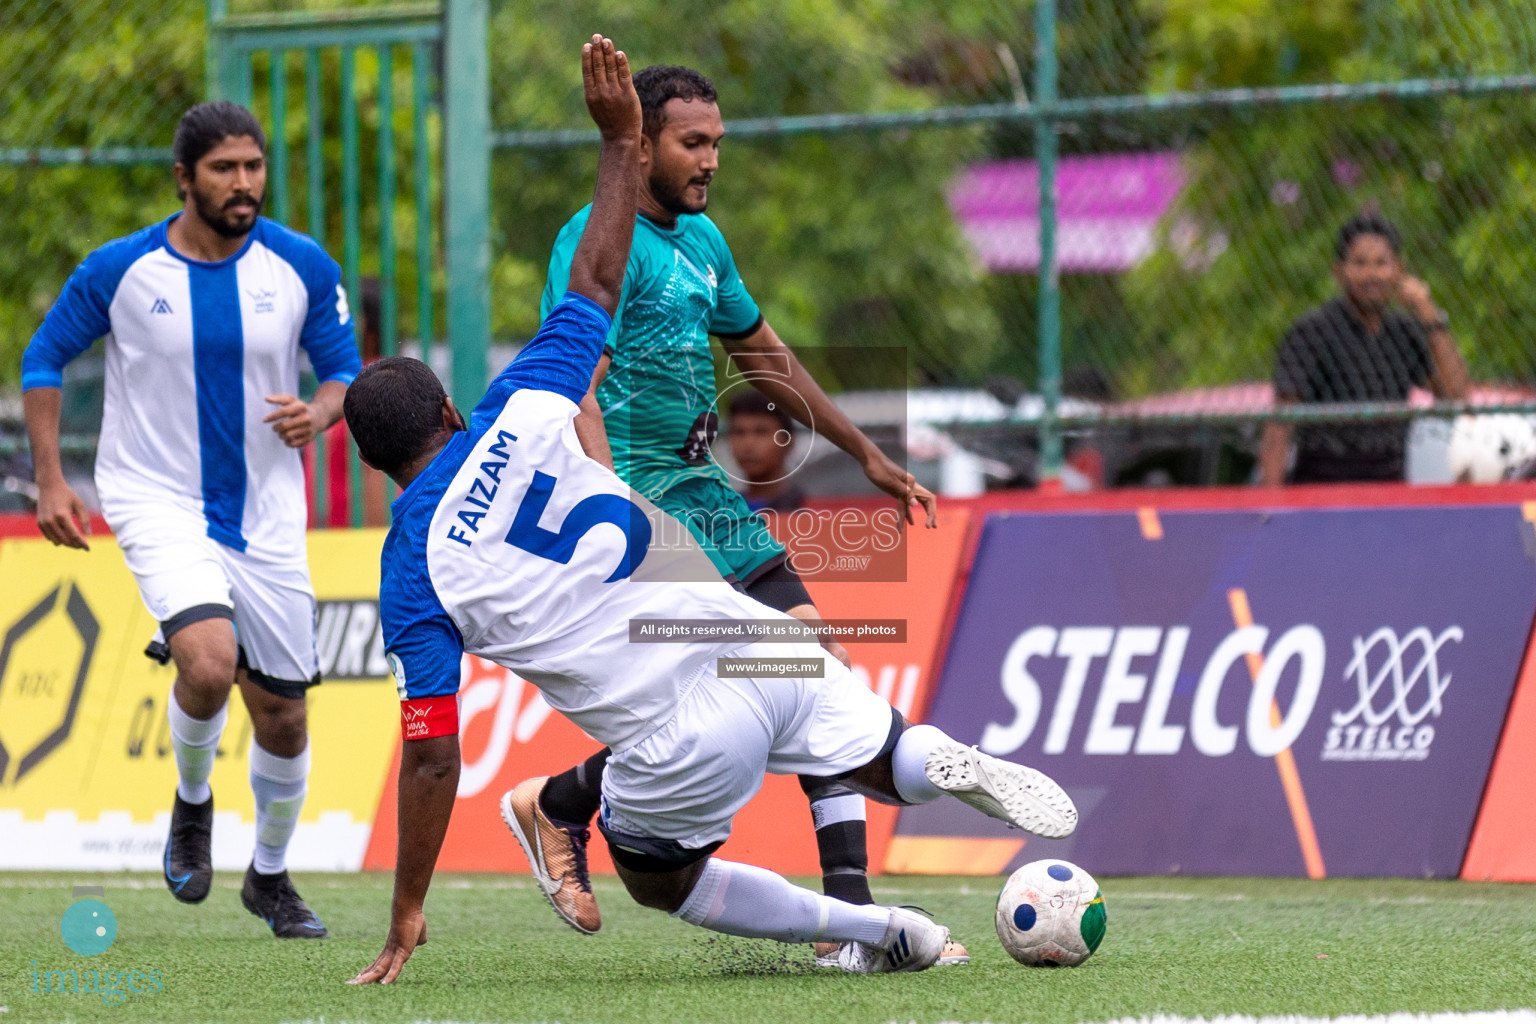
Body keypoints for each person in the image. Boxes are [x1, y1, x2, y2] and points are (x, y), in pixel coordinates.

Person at [345, 37, 1075, 984]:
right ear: (450, 408)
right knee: (863, 728)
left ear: (376, 465)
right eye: (692, 141)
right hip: (696, 582)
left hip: (678, 683)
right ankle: (928, 766)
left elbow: (432, 755)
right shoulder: (519, 406)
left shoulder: (410, 570)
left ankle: (866, 920)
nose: (712, 158)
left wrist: (406, 909)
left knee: (659, 874)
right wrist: (613, 142)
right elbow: (590, 308)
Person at [520, 62, 951, 966]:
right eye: (693, 142)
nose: (712, 160)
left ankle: (564, 800)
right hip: (640, 506)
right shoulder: (593, 240)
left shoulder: (704, 240)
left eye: (718, 142)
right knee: (774, 675)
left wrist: (865, 452)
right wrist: (615, 511)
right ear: (640, 145)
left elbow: (764, 353)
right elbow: (575, 383)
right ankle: (854, 920)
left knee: (812, 662)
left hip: (709, 501)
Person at [21, 101, 360, 937]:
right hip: (154, 497)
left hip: (270, 512)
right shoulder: (120, 270)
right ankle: (192, 806)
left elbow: (344, 373)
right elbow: (43, 357)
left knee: (283, 712)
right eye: (223, 169)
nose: (243, 183)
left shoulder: (302, 266)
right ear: (185, 177)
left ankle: (271, 879)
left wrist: (320, 413)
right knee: (208, 666)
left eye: (253, 166)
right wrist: (51, 481)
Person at [1259, 212, 1470, 485]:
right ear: (1339, 272)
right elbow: (1280, 425)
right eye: (1359, 263)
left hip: (1388, 497)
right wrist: (1272, 513)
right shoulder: (1312, 332)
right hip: (1323, 498)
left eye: (1381, 263)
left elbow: (1455, 396)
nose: (1372, 275)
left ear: (1399, 271)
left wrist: (1429, 316)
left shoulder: (1404, 333)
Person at [727, 389, 805, 514]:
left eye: (761, 432)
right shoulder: (718, 513)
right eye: (739, 432)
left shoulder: (810, 512)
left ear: (789, 441)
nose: (748, 444)